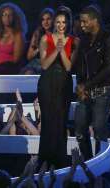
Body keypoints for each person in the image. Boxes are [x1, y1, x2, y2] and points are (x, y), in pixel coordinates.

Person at [74, 5, 110, 160]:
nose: (82, 25)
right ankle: (88, 162)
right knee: (80, 130)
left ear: (95, 20)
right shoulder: (84, 40)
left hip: (102, 91)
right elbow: (80, 66)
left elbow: (109, 68)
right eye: (81, 21)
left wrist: (86, 85)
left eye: (85, 21)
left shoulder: (109, 39)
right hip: (84, 92)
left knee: (99, 130)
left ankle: (100, 164)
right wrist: (80, 85)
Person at [37, 6, 79, 168]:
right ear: (54, 22)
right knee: (48, 122)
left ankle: (59, 162)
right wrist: (57, 49)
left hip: (64, 84)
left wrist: (62, 50)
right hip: (47, 84)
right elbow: (44, 64)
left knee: (60, 122)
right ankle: (45, 162)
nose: (61, 25)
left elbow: (69, 67)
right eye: (58, 21)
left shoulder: (75, 41)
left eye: (64, 22)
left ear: (68, 23)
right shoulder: (44, 39)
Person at [0, 3, 27, 75]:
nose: (7, 17)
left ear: (14, 17)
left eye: (10, 15)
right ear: (1, 17)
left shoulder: (18, 35)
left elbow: (16, 59)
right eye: (4, 15)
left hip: (10, 67)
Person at [24, 8, 54, 74]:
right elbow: (29, 56)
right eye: (43, 19)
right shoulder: (37, 33)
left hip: (51, 64)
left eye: (48, 19)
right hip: (36, 63)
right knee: (29, 72)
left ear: (54, 20)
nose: (45, 22)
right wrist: (38, 49)